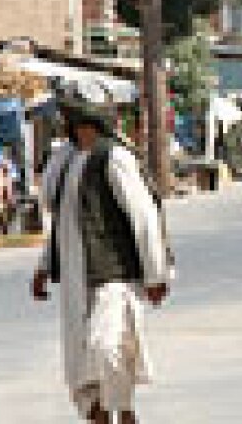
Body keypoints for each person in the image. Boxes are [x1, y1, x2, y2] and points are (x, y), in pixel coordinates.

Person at [31, 91, 172, 424]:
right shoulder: (64, 160)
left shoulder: (114, 158)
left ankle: (125, 414)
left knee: (109, 348)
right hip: (75, 281)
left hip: (114, 276)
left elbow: (144, 217)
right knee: (83, 369)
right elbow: (62, 221)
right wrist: (42, 267)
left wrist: (155, 275)